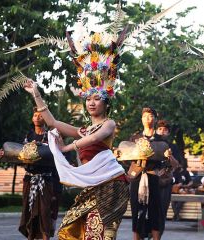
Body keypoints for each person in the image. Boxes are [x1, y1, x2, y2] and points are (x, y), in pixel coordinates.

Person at [24, 79, 129, 240]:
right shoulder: (83, 130)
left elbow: (94, 138)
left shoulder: (109, 124)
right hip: (93, 185)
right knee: (74, 226)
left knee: (100, 233)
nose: (91, 103)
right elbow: (52, 122)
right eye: (88, 99)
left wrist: (66, 148)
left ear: (107, 104)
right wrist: (36, 94)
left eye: (96, 98)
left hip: (112, 183)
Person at [0, 108, 62, 240]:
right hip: (29, 179)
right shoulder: (28, 136)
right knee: (29, 214)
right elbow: (19, 156)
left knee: (44, 214)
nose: (38, 117)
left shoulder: (51, 136)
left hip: (45, 180)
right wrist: (5, 154)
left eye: (41, 115)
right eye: (35, 115)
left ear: (46, 118)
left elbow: (59, 156)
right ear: (32, 119)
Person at [129, 107, 167, 240]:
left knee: (154, 212)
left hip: (153, 178)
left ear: (155, 119)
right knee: (136, 212)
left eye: (150, 116)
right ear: (141, 119)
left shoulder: (161, 140)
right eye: (145, 116)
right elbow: (127, 158)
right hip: (137, 178)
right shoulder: (135, 138)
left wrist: (168, 158)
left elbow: (169, 163)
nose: (147, 118)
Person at [155, 120, 179, 233]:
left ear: (168, 133)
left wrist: (170, 156)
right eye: (159, 129)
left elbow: (177, 165)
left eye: (165, 130)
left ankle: (158, 235)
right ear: (155, 130)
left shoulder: (173, 146)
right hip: (150, 180)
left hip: (165, 181)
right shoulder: (150, 143)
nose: (162, 132)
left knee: (162, 211)